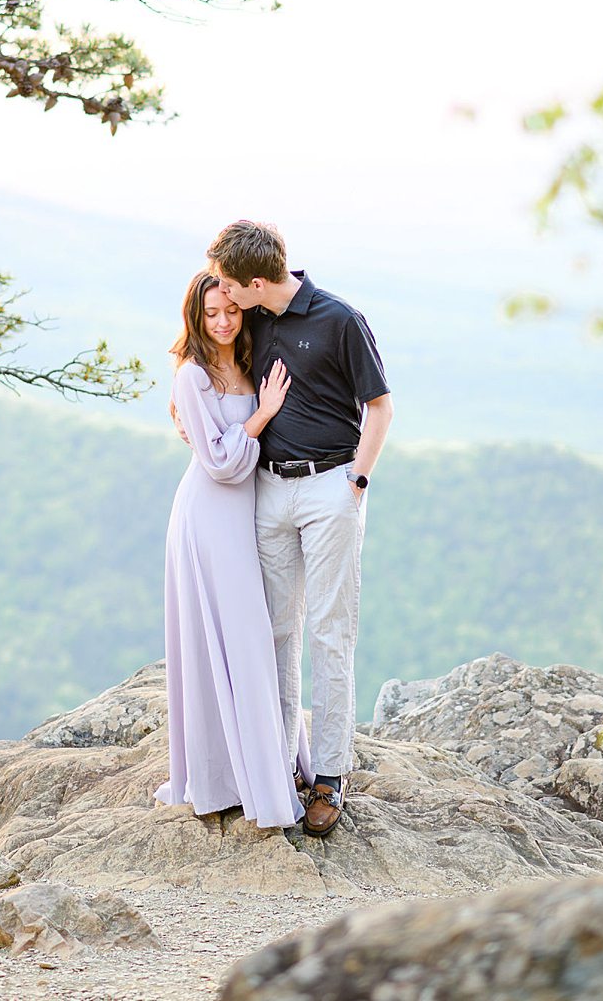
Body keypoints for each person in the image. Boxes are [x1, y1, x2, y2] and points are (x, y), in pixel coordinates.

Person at [207, 219, 393, 838]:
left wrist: (357, 484)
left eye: (233, 288)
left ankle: (331, 779)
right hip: (268, 490)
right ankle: (281, 766)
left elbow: (380, 406)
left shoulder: (339, 319)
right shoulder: (254, 318)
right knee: (278, 632)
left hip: (330, 488)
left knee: (330, 633)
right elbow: (205, 354)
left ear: (258, 282)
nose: (227, 300)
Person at [156, 271, 307, 829]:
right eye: (211, 314)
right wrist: (263, 414)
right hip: (209, 516)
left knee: (257, 638)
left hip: (249, 513)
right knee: (234, 638)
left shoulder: (246, 363)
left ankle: (266, 766)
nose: (222, 322)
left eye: (231, 311)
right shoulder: (192, 377)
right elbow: (220, 464)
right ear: (194, 317)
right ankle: (231, 782)